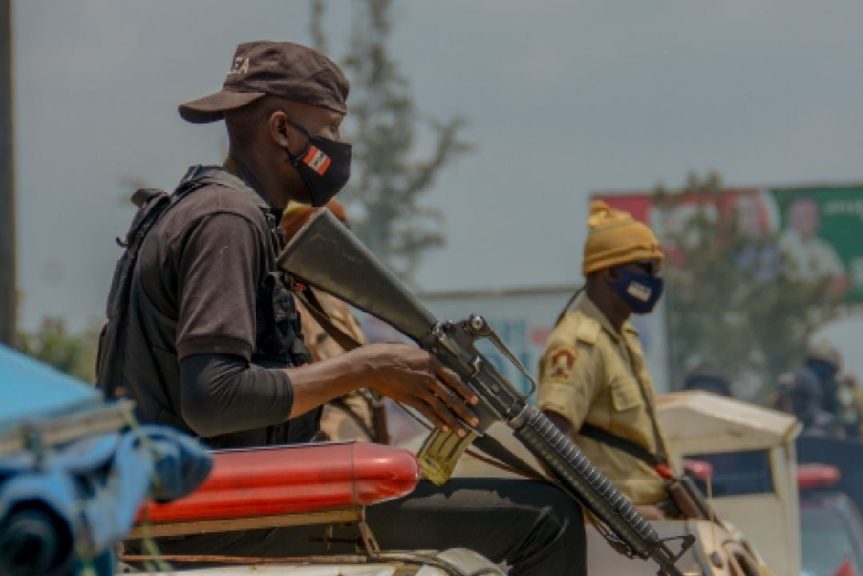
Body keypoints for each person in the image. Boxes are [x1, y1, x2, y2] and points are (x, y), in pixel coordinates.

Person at [100, 41, 584, 575]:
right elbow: (213, 397)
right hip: (226, 513)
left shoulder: (214, 209)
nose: (338, 145)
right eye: (329, 128)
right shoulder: (228, 220)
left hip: (207, 500)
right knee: (548, 517)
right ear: (282, 130)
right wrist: (368, 367)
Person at [537, 201, 672, 520]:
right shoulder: (579, 342)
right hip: (616, 528)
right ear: (611, 273)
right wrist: (618, 514)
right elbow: (551, 442)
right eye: (646, 268)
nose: (654, 278)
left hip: (648, 517)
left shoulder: (623, 337)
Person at [280, 200, 378, 442]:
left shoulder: (333, 299)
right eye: (333, 233)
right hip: (323, 439)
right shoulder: (287, 302)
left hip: (356, 431)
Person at [777, 195, 849, 300]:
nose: (809, 219)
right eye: (804, 215)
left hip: (819, 305)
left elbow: (841, 281)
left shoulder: (823, 248)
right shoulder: (779, 245)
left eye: (812, 215)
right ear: (791, 218)